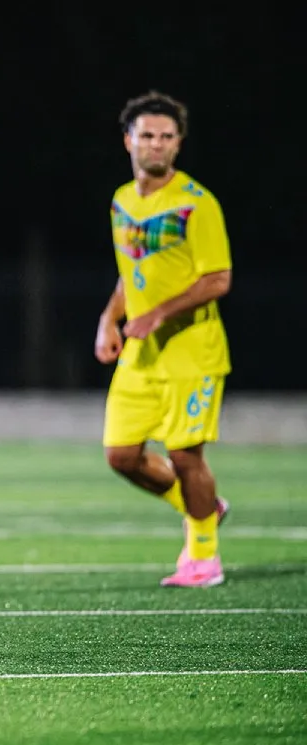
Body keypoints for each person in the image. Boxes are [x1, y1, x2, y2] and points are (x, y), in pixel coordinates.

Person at [95, 90, 232, 588]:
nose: (156, 144)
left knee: (185, 456)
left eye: (166, 136)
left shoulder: (197, 204)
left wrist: (157, 314)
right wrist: (109, 320)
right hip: (142, 354)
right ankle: (203, 507)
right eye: (147, 135)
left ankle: (204, 558)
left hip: (192, 351)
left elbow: (217, 279)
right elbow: (130, 274)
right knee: (121, 455)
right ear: (128, 140)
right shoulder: (123, 201)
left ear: (178, 143)